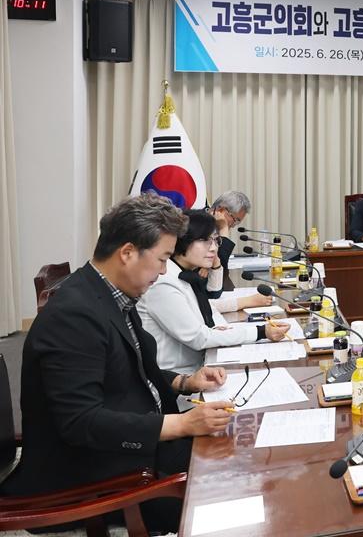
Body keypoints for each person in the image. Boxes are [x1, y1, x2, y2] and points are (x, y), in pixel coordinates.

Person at [1, 194, 233, 533]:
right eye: (162, 258)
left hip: (137, 443)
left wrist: (186, 382)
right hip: (93, 471)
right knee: (228, 494)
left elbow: (132, 369)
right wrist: (181, 426)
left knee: (233, 453)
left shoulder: (113, 294)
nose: (165, 270)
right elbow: (81, 422)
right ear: (127, 253)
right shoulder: (74, 315)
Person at [139, 209, 288, 374]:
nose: (213, 248)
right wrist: (261, 331)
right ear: (182, 240)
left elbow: (210, 311)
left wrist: (229, 331)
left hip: (201, 366)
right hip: (177, 379)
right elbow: (199, 338)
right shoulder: (164, 281)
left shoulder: (187, 274)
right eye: (204, 240)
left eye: (216, 241)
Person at [208, 190, 251, 297]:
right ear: (221, 210)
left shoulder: (214, 225)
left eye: (238, 222)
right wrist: (223, 229)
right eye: (235, 220)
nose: (234, 225)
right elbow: (220, 266)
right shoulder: (201, 226)